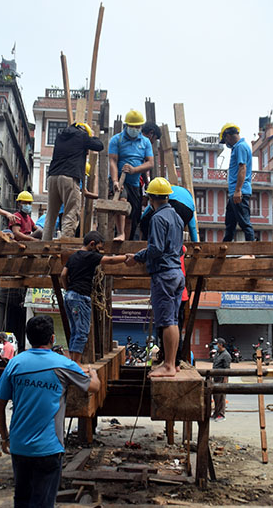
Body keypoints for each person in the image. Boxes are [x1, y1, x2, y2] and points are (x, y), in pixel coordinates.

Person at [0, 316, 100, 508]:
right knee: (43, 503)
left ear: (28, 338)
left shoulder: (15, 364)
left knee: (22, 500)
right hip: (48, 449)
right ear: (52, 338)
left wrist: (4, 438)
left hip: (19, 447)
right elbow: (94, 387)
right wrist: (93, 373)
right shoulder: (62, 364)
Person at [125, 178, 184, 378]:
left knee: (167, 321)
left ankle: (168, 366)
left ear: (150, 198)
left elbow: (157, 248)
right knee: (173, 320)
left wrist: (137, 257)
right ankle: (173, 364)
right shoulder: (176, 216)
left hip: (165, 275)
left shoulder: (158, 218)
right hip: (177, 273)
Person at [59, 230, 127, 364]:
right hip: (80, 297)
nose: (99, 251)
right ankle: (76, 363)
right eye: (98, 248)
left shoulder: (73, 257)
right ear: (92, 244)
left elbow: (63, 275)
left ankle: (73, 362)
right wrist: (128, 257)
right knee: (82, 331)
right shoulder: (89, 256)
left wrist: (68, 289)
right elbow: (111, 260)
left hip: (70, 296)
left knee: (75, 331)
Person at [43, 122, 104, 240]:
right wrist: (91, 136)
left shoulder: (60, 136)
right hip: (69, 177)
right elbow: (99, 145)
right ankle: (65, 244)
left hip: (52, 177)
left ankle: (44, 245)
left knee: (50, 215)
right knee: (71, 211)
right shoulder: (81, 136)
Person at [109, 110, 154, 240]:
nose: (134, 129)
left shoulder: (145, 142)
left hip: (135, 183)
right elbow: (112, 161)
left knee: (132, 215)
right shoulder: (117, 140)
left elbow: (150, 163)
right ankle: (120, 233)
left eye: (137, 127)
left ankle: (126, 241)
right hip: (120, 180)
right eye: (132, 126)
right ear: (126, 125)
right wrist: (115, 181)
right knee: (122, 202)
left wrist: (135, 170)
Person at [219, 123, 255, 242]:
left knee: (244, 223)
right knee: (230, 224)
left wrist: (238, 190)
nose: (226, 144)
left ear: (228, 135)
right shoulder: (240, 147)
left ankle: (252, 252)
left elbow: (242, 168)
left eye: (225, 141)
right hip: (234, 193)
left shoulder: (240, 147)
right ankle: (224, 251)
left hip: (239, 192)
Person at [211, 338, 232, 422]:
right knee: (216, 397)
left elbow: (227, 368)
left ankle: (221, 414)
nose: (216, 346)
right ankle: (216, 413)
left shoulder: (226, 355)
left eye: (217, 344)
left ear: (221, 345)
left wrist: (225, 380)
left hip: (221, 378)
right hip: (215, 378)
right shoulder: (217, 353)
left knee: (221, 397)